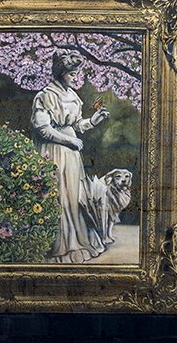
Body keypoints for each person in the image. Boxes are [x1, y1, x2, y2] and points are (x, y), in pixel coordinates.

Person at [31, 50, 111, 263]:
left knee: (73, 196)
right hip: (54, 151)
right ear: (61, 72)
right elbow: (43, 129)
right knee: (59, 195)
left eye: (78, 73)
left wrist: (93, 120)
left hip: (72, 154)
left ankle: (76, 241)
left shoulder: (73, 96)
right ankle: (61, 246)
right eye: (72, 74)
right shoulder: (46, 95)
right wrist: (70, 141)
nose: (77, 78)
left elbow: (76, 125)